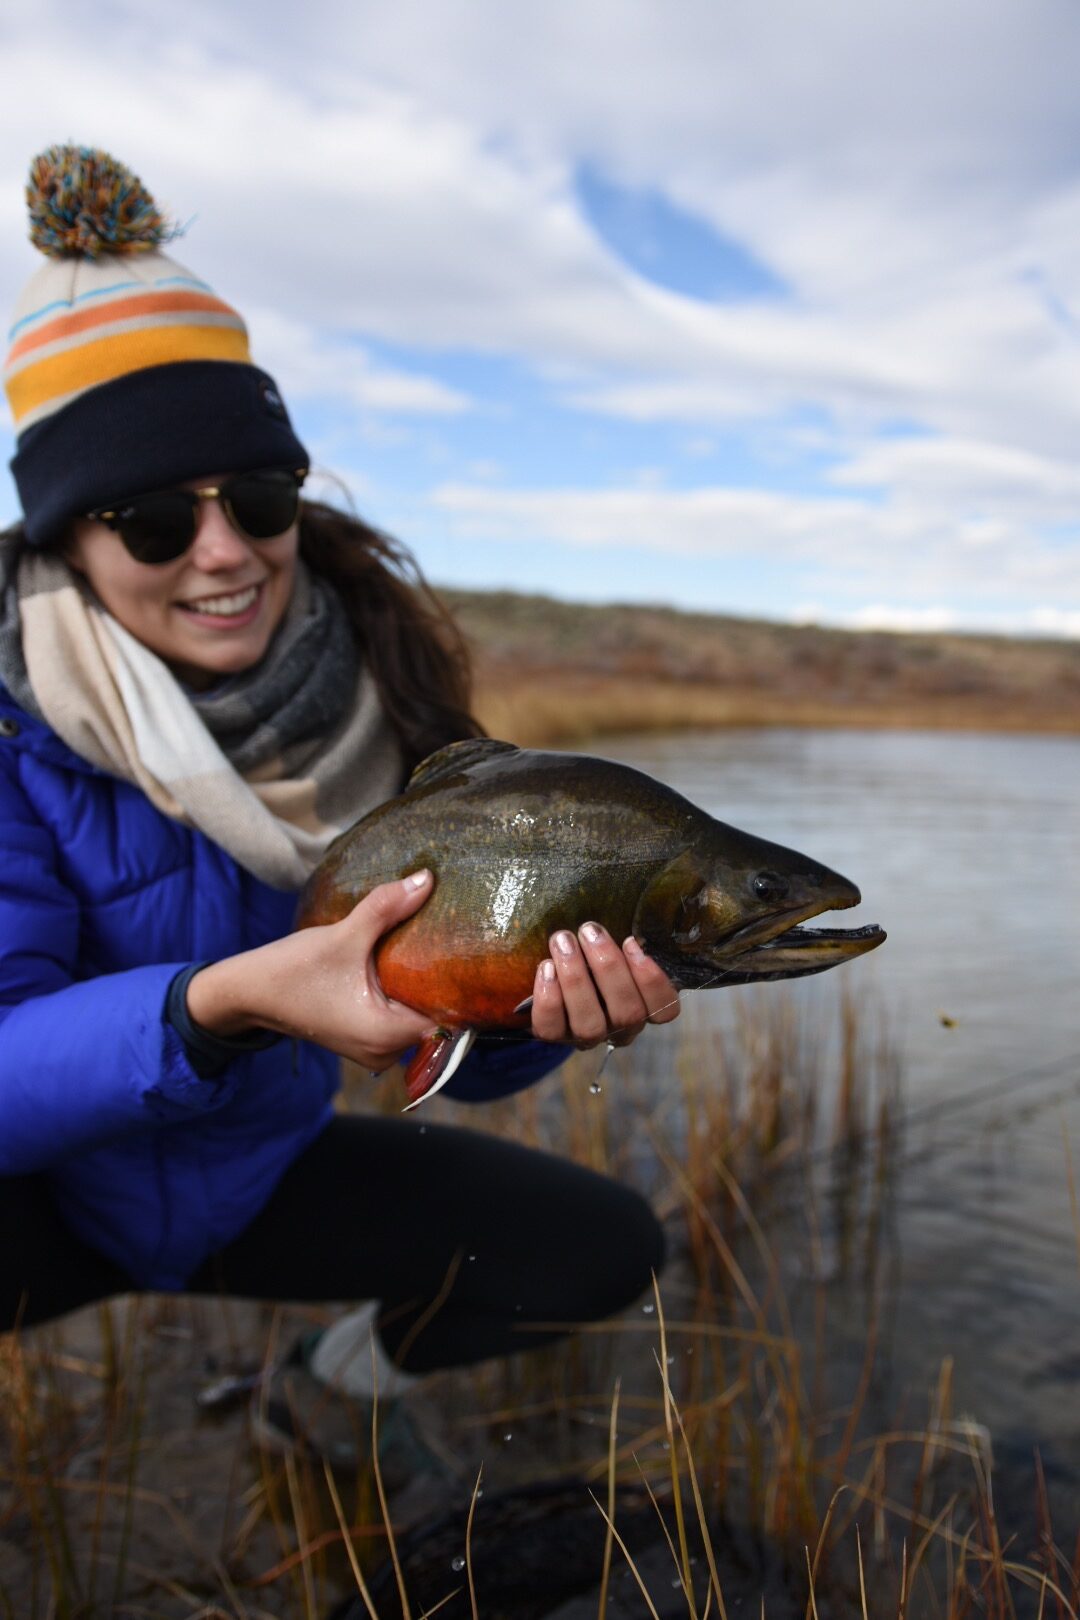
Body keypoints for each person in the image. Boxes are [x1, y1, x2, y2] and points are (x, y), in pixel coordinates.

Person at [0, 146, 677, 1474]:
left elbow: (468, 1056)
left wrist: (545, 1013)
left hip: (256, 1181)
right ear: (67, 545)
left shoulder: (401, 691)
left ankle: (324, 1386)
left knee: (601, 1250)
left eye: (257, 497)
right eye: (149, 520)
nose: (223, 550)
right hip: (43, 1199)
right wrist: (223, 1002)